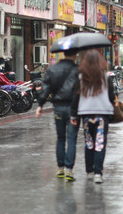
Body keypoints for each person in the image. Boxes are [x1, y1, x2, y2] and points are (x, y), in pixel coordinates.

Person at [71, 49, 115, 184]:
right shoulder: (106, 77)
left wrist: (73, 115)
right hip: (102, 114)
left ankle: (89, 171)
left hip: (86, 115)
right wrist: (112, 111)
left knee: (89, 143)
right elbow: (111, 97)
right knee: (100, 144)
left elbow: (76, 97)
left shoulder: (80, 77)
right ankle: (98, 173)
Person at [36, 50, 80, 182]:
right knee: (71, 139)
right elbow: (80, 90)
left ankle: (60, 168)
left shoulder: (53, 69)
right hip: (73, 108)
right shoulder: (78, 70)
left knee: (61, 138)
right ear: (75, 55)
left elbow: (46, 88)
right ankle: (69, 171)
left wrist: (40, 105)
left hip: (58, 108)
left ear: (63, 54)